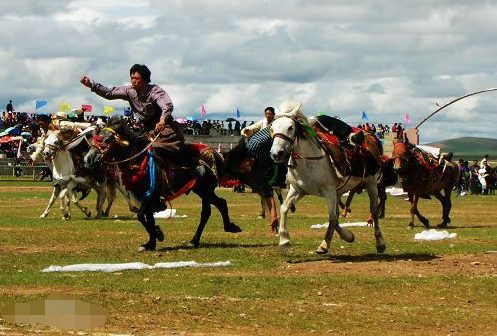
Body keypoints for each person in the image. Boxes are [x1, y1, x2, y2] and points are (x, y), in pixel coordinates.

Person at [80, 64, 204, 180]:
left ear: (144, 80)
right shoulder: (129, 91)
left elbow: (167, 106)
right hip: (146, 130)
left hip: (166, 128)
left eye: (136, 78)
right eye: (132, 78)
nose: (133, 81)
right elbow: (109, 93)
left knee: (158, 147)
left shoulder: (155, 91)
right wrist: (91, 85)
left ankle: (193, 164)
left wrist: (162, 120)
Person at [226, 128, 281, 232]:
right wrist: (273, 216)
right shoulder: (252, 175)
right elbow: (268, 194)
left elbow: (275, 129)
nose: (242, 172)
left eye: (240, 168)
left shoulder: (256, 143)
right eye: (239, 172)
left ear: (243, 158)